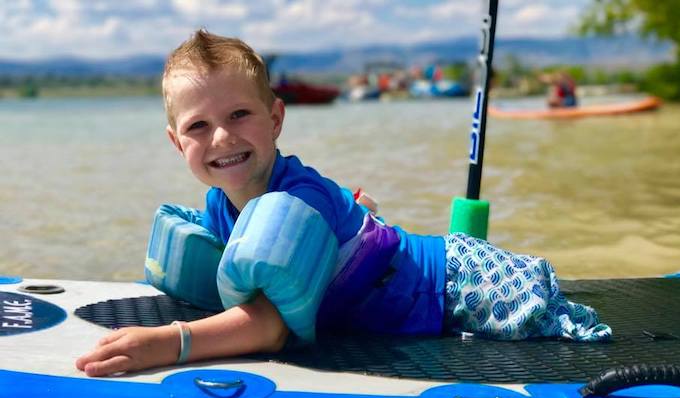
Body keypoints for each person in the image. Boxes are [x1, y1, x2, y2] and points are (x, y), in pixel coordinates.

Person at [76, 30, 610, 378]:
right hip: (400, 281)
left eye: (240, 115)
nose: (221, 138)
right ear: (177, 143)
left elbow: (268, 325)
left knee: (567, 328)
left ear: (276, 119)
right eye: (198, 125)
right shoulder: (220, 205)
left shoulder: (298, 198)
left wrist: (167, 344)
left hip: (455, 282)